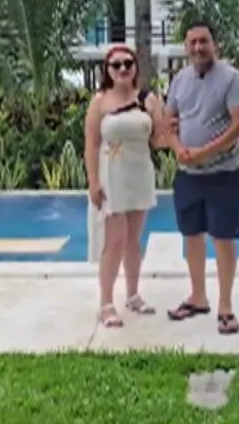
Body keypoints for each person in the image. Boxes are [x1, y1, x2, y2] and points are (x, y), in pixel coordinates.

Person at [163, 20, 239, 335]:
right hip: (188, 174)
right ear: (186, 47)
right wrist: (178, 149)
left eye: (204, 41)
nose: (199, 47)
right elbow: (169, 119)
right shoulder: (180, 80)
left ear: (215, 44)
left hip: (224, 173)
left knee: (222, 237)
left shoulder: (231, 78)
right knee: (192, 234)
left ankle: (225, 306)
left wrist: (204, 152)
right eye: (193, 42)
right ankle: (198, 298)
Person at [83, 45, 172, 327]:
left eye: (128, 63)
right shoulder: (99, 102)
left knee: (133, 240)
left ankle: (133, 295)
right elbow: (91, 144)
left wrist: (168, 124)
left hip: (139, 173)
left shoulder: (148, 99)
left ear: (136, 67)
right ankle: (106, 303)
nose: (123, 69)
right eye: (116, 65)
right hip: (112, 175)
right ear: (107, 70)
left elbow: (159, 141)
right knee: (114, 241)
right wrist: (93, 181)